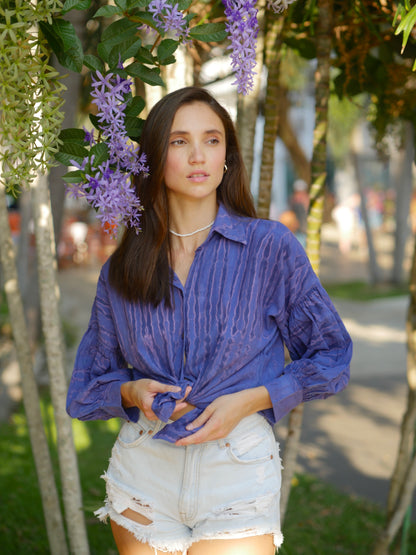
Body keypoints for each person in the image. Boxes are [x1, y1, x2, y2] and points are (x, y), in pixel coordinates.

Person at [66, 87, 352, 555]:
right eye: (179, 142)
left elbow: (333, 357)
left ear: (227, 157)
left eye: (212, 140)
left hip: (237, 469)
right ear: (156, 158)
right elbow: (85, 389)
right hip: (144, 470)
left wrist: (252, 400)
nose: (198, 155)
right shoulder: (122, 270)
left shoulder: (269, 248)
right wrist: (131, 391)